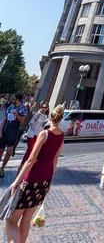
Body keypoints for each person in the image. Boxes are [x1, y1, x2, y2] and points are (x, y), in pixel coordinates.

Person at [5, 105, 64, 243]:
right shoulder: (61, 136)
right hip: (44, 181)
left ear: (50, 118)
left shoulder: (45, 134)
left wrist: (16, 182)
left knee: (11, 220)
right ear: (60, 120)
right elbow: (55, 161)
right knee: (26, 222)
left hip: (31, 178)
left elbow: (31, 160)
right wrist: (49, 183)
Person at [0, 94, 27, 177]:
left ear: (18, 100)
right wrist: (0, 130)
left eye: (14, 99)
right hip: (5, 132)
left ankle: (2, 168)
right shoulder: (10, 107)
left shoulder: (22, 108)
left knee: (9, 152)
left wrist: (17, 114)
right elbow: (5, 119)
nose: (12, 100)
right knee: (0, 150)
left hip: (13, 133)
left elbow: (22, 120)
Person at [19, 102, 49, 170]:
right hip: (31, 133)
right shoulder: (37, 114)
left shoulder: (45, 116)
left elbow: (41, 127)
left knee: (34, 150)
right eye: (43, 107)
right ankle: (22, 165)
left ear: (47, 109)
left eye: (45, 108)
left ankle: (28, 165)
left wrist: (44, 124)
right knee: (30, 149)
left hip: (37, 135)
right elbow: (30, 124)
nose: (44, 109)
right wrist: (36, 119)